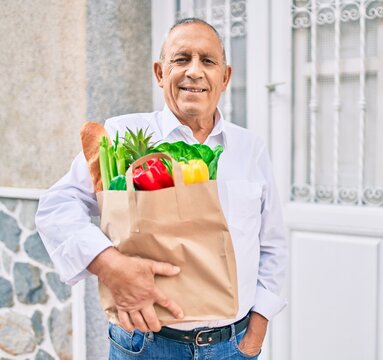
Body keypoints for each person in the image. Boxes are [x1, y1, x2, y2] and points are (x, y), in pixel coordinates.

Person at [36, 18, 288, 359]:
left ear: (225, 77)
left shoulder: (250, 148)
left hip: (231, 346)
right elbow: (57, 206)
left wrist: (256, 333)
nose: (194, 72)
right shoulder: (122, 137)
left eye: (208, 61)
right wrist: (108, 263)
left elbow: (271, 245)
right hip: (144, 345)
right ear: (159, 73)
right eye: (181, 59)